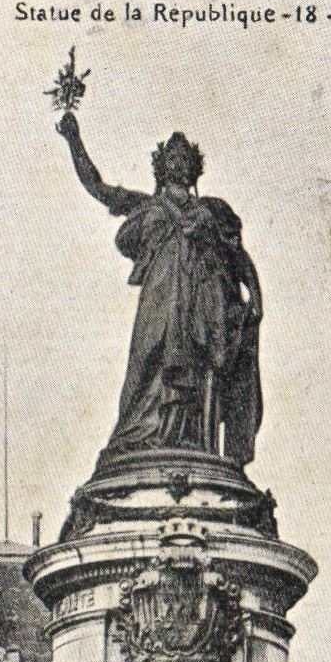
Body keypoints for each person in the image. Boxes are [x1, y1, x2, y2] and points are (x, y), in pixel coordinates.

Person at [56, 111, 263, 466]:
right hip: (159, 302)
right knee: (146, 368)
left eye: (185, 157)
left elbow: (238, 257)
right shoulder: (147, 205)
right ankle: (137, 438)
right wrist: (74, 140)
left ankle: (195, 445)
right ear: (161, 165)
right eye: (172, 156)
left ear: (195, 167)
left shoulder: (212, 211)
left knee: (199, 376)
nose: (179, 161)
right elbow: (99, 188)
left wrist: (256, 296)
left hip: (201, 306)